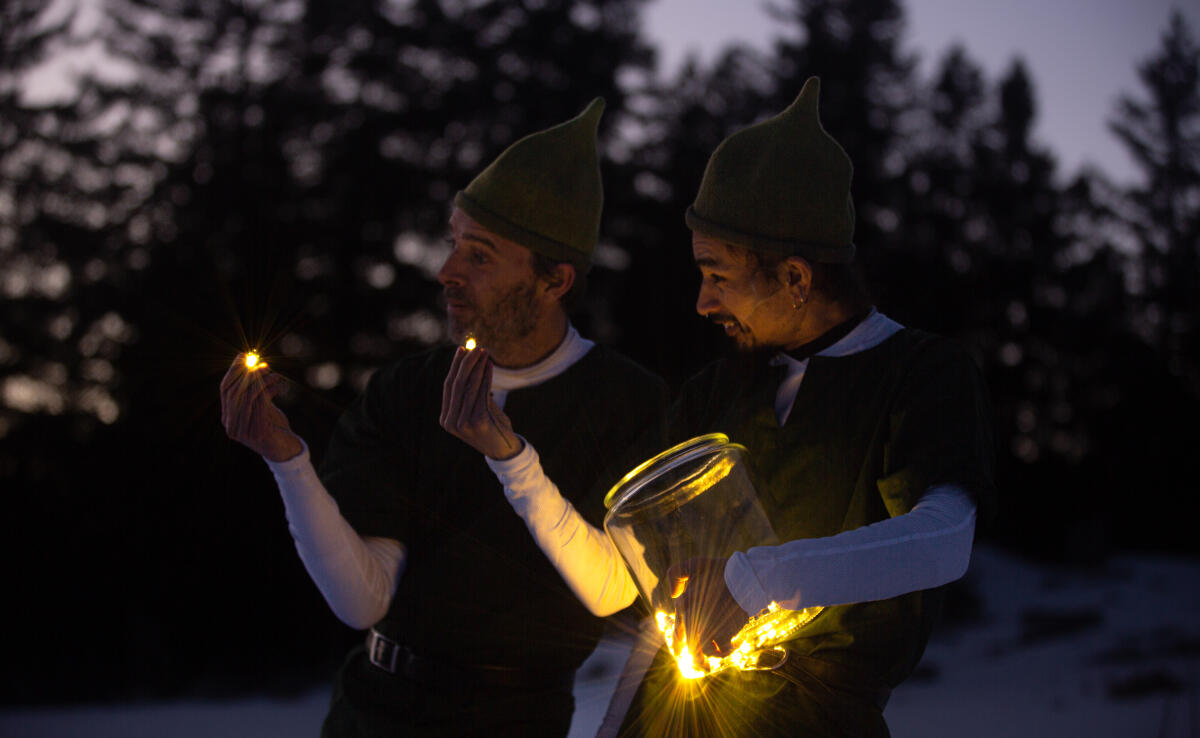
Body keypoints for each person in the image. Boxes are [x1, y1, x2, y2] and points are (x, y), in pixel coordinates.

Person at [445, 77, 996, 737]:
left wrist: (755, 580)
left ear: (794, 277)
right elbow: (618, 588)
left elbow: (943, 539)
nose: (703, 303)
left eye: (718, 276)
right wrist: (512, 459)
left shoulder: (918, 374)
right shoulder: (719, 391)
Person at [219, 99, 667, 738]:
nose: (447, 272)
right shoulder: (405, 391)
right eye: (454, 243)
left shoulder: (628, 402)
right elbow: (362, 600)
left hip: (519, 719)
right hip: (374, 715)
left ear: (555, 280)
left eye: (479, 256)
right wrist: (287, 462)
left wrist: (511, 458)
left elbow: (612, 593)